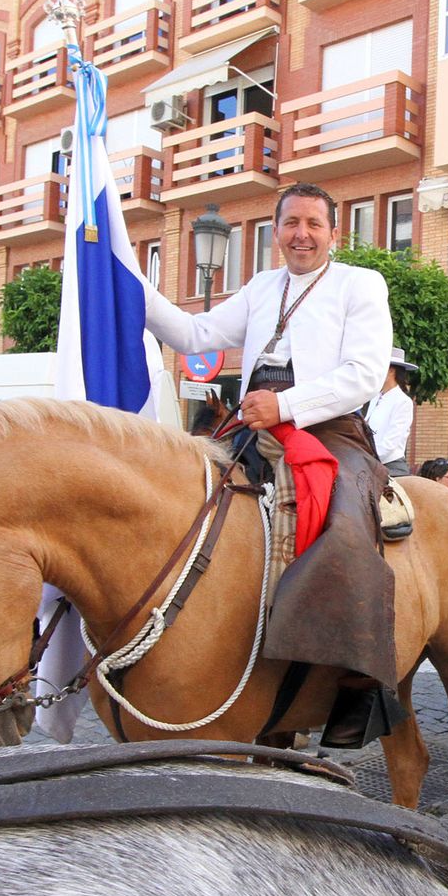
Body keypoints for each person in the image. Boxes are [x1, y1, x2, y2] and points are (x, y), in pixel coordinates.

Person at [141, 181, 399, 749]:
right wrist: (132, 286)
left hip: (328, 428)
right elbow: (195, 334)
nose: (302, 234)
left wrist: (285, 406)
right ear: (276, 231)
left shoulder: (360, 284)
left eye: (314, 224)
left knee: (347, 526)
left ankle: (358, 682)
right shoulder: (262, 287)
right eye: (291, 223)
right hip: (251, 427)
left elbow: (362, 373)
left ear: (334, 233)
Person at [366, 347, 417, 477]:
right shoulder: (375, 398)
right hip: (369, 460)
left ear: (391, 371)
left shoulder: (403, 401)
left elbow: (391, 442)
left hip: (391, 466)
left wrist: (369, 458)